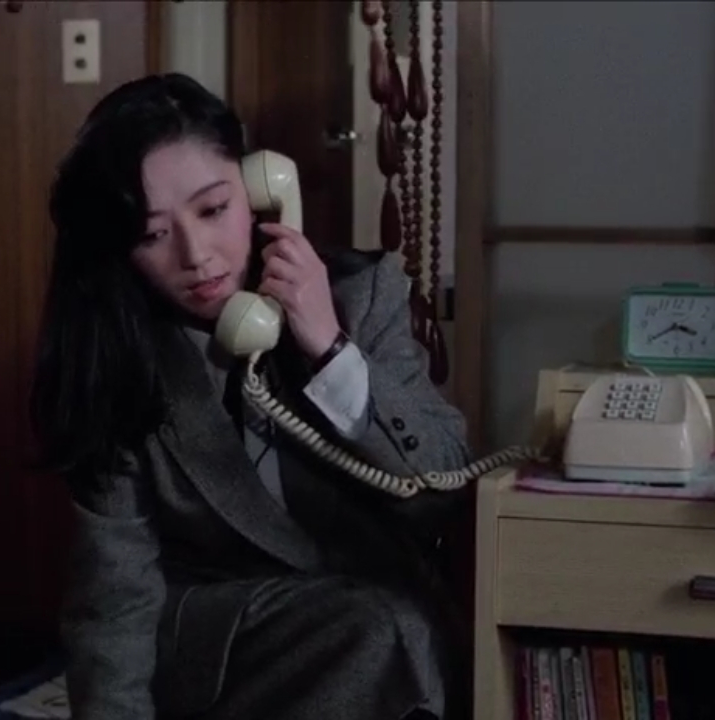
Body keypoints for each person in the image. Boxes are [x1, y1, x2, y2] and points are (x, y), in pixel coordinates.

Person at [30, 73, 475, 720]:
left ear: (259, 187)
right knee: (382, 630)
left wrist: (330, 350)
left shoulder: (363, 296)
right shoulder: (121, 356)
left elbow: (445, 485)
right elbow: (115, 593)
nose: (197, 255)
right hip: (224, 646)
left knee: (393, 630)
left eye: (214, 210)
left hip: (373, 623)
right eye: (153, 235)